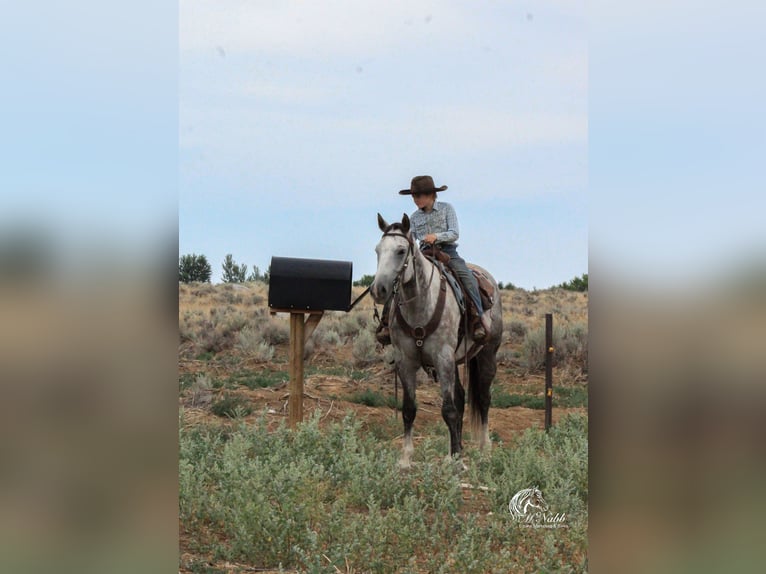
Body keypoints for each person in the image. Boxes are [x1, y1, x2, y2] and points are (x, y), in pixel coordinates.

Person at [376, 175, 491, 344]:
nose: (416, 199)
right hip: (423, 254)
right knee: (398, 279)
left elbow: (454, 232)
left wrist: (436, 237)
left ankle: (477, 318)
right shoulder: (413, 218)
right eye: (414, 196)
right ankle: (387, 322)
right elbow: (410, 241)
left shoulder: (446, 209)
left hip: (448, 252)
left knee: (466, 277)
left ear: (431, 195)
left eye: (419, 195)